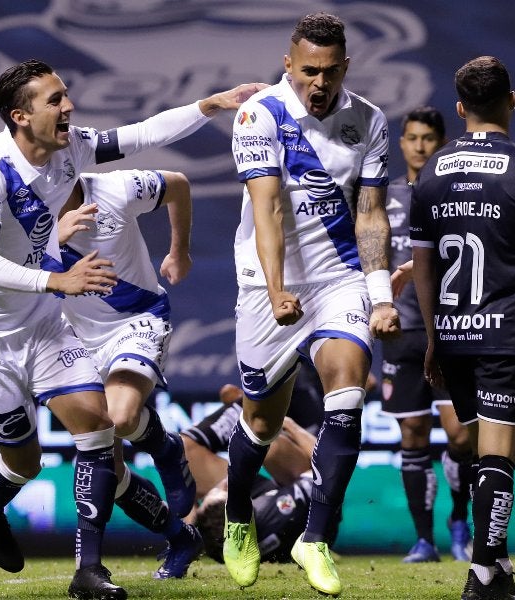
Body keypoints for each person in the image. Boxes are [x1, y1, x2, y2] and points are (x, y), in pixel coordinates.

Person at [0, 58, 262, 600]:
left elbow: (142, 133)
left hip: (40, 324)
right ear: (20, 116)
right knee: (24, 460)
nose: (69, 107)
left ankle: (89, 570)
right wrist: (56, 280)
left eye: (66, 95)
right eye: (55, 100)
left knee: (100, 428)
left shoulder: (70, 150)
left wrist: (211, 104)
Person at [222, 12, 399, 597]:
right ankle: (238, 516)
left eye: (328, 72)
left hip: (338, 278)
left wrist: (377, 296)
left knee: (349, 386)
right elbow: (268, 208)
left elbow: (371, 213)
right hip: (264, 282)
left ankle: (316, 537)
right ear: (287, 64)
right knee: (263, 421)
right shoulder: (259, 114)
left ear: (344, 66)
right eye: (306, 72)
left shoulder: (369, 120)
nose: (317, 83)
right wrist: (276, 290)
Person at [410, 56, 515, 600]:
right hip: (506, 332)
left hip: (453, 336)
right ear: (511, 100)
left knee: (482, 453)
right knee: (497, 457)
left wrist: (433, 339)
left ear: (459, 109)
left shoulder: (431, 171)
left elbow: (424, 266)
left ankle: (498, 564)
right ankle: (482, 573)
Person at [57, 169, 205, 579]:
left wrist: (180, 251)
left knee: (120, 418)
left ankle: (164, 446)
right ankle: (181, 537)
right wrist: (53, 237)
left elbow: (179, 183)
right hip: (72, 336)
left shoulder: (116, 187)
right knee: (110, 468)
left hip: (134, 320)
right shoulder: (25, 207)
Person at [381, 106, 473, 563]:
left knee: (461, 435)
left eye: (428, 138)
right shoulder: (381, 197)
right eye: (412, 138)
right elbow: (369, 256)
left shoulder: (457, 194)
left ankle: (459, 519)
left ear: (442, 143)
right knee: (413, 433)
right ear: (402, 143)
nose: (419, 146)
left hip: (453, 330)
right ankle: (424, 539)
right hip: (402, 332)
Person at [179, 386, 341, 564]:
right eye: (223, 490)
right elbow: (330, 471)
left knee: (182, 459)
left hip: (255, 527)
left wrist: (186, 535)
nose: (223, 485)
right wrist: (289, 425)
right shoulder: (278, 511)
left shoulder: (215, 541)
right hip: (312, 514)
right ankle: (256, 413)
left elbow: (200, 516)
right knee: (269, 443)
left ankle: (250, 411)